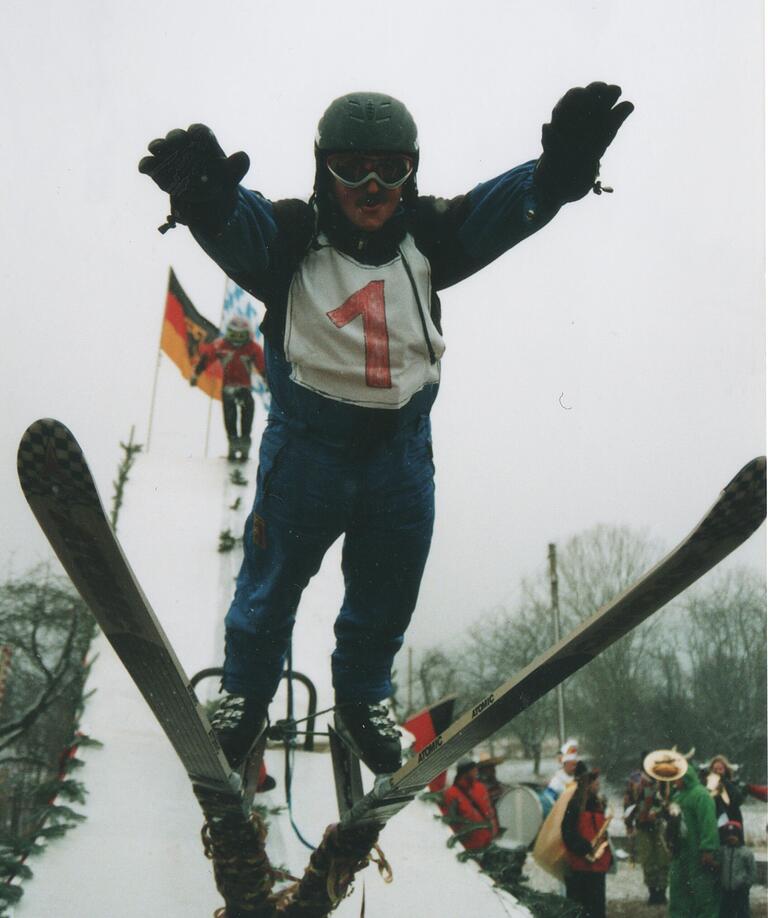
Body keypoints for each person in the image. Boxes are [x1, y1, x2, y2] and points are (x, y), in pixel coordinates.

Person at [138, 86, 633, 775]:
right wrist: (205, 201)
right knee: (271, 580)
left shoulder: (427, 235)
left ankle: (364, 695)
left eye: (391, 170)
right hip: (309, 450)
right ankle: (245, 692)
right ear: (323, 170)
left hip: (398, 459)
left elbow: (498, 212)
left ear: (412, 170)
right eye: (352, 170)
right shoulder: (290, 238)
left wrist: (554, 177)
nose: (372, 188)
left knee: (388, 586)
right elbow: (238, 223)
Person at [645, 749, 720, 918]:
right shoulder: (677, 796)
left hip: (697, 855)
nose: (673, 781)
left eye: (676, 777)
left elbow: (708, 823)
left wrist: (708, 848)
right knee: (679, 897)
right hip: (680, 854)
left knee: (702, 898)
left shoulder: (701, 795)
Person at [191, 315, 267, 461]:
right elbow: (207, 358)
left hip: (244, 388)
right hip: (228, 388)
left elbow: (262, 366)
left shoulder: (252, 347)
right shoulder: (221, 345)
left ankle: (244, 442)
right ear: (228, 333)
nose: (237, 339)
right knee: (230, 415)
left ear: (247, 334)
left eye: (241, 335)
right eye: (233, 335)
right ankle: (233, 442)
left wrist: (268, 381)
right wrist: (196, 373)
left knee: (247, 412)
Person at [560, 762, 613, 918]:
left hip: (597, 867)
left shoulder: (597, 804)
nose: (598, 785)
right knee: (580, 908)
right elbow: (567, 832)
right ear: (588, 784)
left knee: (596, 909)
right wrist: (584, 847)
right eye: (596, 783)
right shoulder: (575, 804)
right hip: (580, 866)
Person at [623, 753, 671, 905]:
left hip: (659, 824)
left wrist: (658, 812)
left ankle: (662, 892)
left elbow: (668, 801)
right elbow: (628, 803)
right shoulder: (635, 780)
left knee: (663, 858)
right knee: (648, 859)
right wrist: (629, 823)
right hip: (642, 825)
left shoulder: (663, 779)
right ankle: (653, 892)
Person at [442, 759, 500, 852]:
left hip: (487, 842)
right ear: (465, 772)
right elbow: (450, 821)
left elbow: (490, 811)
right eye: (473, 770)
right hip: (468, 848)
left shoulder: (480, 787)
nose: (476, 772)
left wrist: (494, 830)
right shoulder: (451, 793)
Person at [719, 819, 756, 918]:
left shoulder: (746, 853)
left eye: (734, 835)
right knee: (725, 913)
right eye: (729, 835)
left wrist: (747, 885)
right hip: (726, 890)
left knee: (742, 913)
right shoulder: (723, 851)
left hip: (740, 890)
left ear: (739, 835)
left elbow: (752, 871)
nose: (731, 837)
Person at [704, 753, 745, 843]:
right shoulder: (706, 785)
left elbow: (739, 800)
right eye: (715, 769)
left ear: (725, 770)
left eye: (720, 769)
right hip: (714, 820)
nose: (718, 771)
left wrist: (725, 783)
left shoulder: (732, 784)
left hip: (731, 821)